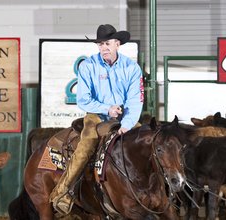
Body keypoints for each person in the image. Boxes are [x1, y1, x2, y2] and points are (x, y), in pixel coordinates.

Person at [49, 24, 144, 215]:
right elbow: (83, 99)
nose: (104, 48)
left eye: (107, 43)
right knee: (88, 142)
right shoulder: (88, 66)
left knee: (143, 142)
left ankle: (151, 191)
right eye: (100, 44)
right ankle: (62, 191)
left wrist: (126, 125)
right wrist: (106, 108)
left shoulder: (132, 68)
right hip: (96, 116)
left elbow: (136, 99)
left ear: (117, 44)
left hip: (126, 116)